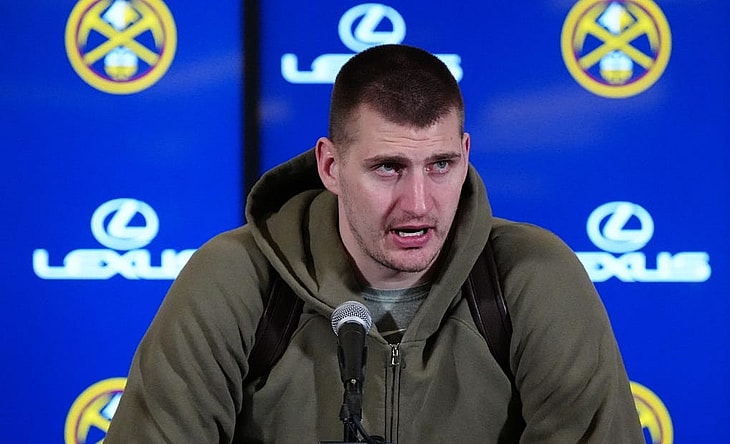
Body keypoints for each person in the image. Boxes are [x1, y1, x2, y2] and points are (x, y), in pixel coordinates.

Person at [105, 44, 645, 443]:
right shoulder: (234, 280)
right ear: (330, 166)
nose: (418, 204)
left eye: (441, 165)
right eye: (388, 167)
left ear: (465, 154)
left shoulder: (533, 277)